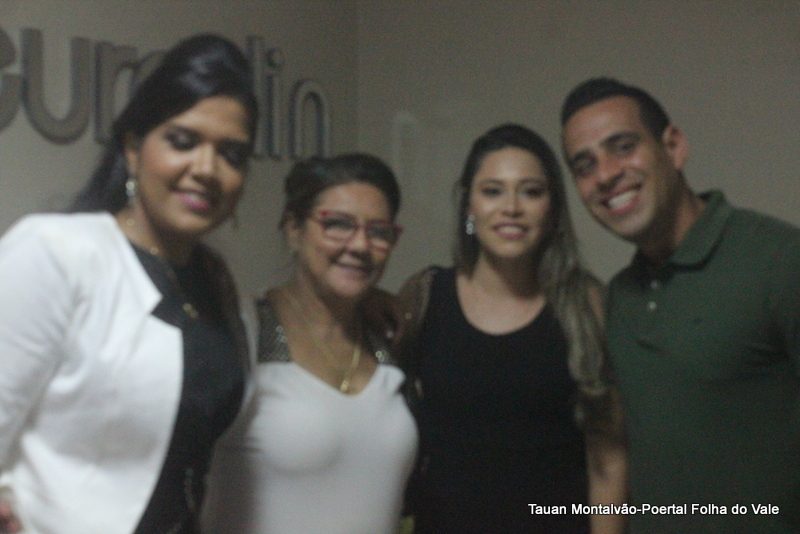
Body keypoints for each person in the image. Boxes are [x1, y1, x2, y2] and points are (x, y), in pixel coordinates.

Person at [0, 34, 257, 534]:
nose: (206, 169)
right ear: (134, 149)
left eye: (231, 154)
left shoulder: (216, 287)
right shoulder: (58, 253)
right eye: (183, 141)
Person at [560, 77, 800, 533]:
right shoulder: (617, 300)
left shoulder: (780, 261)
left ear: (673, 147)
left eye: (623, 146)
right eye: (585, 165)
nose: (605, 174)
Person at [397, 124, 626, 533]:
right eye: (492, 191)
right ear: (469, 207)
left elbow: (607, 457)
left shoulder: (586, 305)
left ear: (552, 211)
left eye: (531, 192)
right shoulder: (425, 296)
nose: (512, 208)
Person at [201, 154, 418, 534]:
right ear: (293, 228)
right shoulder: (244, 333)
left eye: (379, 231)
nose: (360, 245)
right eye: (338, 225)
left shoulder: (389, 341)